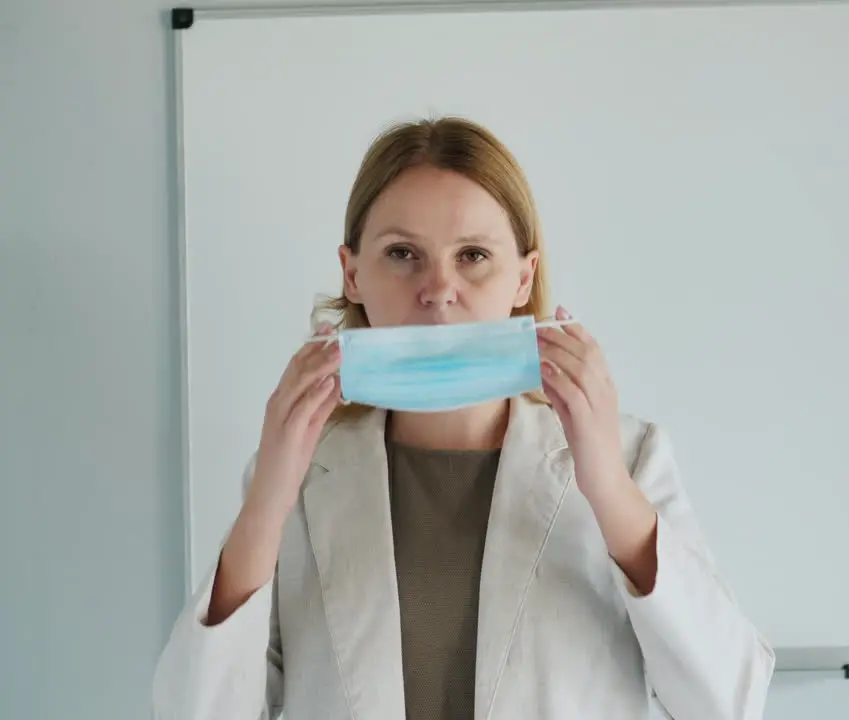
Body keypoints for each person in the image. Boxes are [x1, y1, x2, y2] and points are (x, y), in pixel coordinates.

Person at [151, 116, 775, 720]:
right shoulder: (298, 476)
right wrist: (268, 500)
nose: (438, 289)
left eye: (473, 254)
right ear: (353, 274)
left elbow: (728, 702)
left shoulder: (631, 456)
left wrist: (608, 487)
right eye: (402, 253)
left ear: (524, 280)